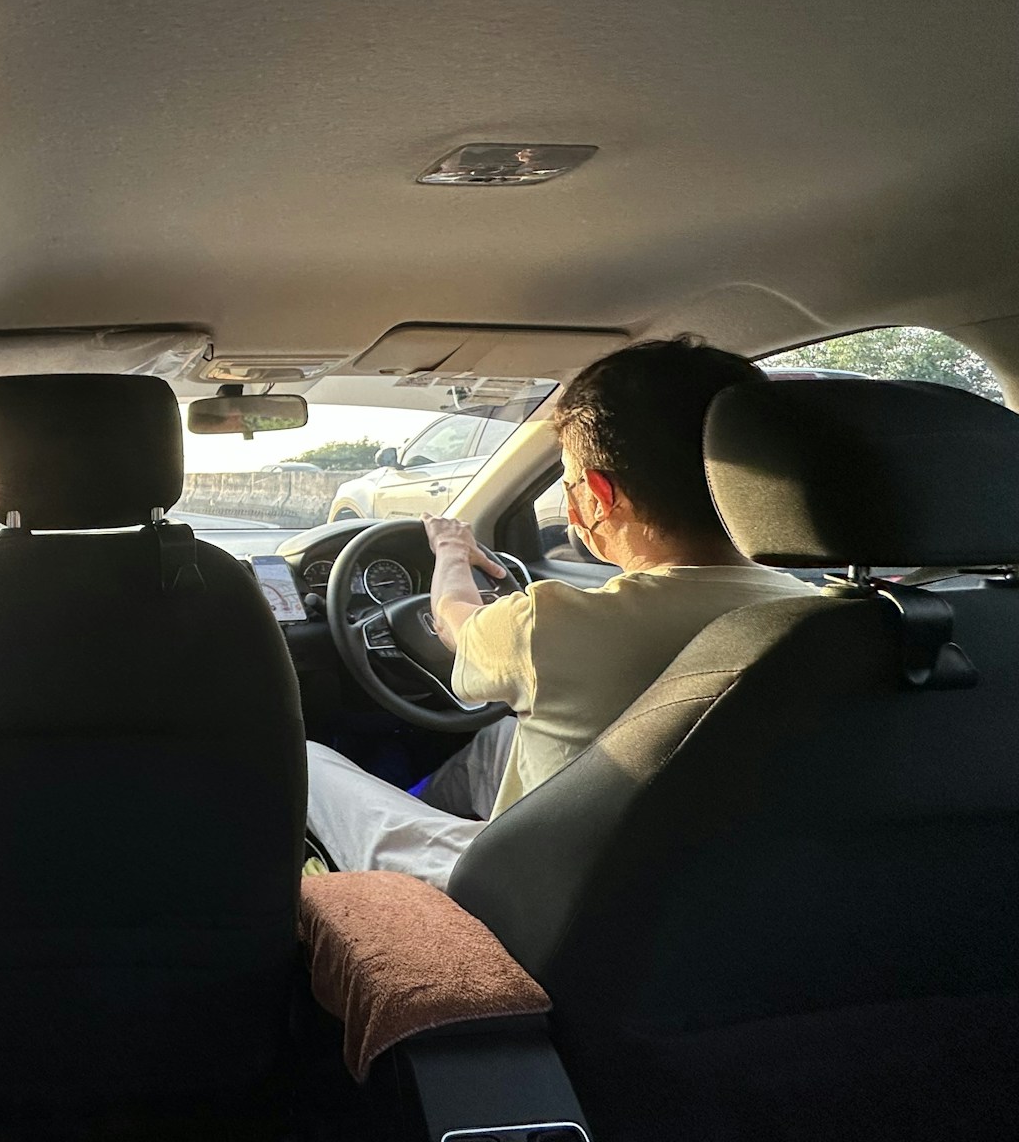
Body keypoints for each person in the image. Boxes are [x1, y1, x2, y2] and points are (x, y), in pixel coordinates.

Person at [305, 336, 819, 889]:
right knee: (497, 742)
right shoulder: (834, 617)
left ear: (599, 493)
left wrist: (452, 552)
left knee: (308, 762)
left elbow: (454, 619)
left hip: (539, 905)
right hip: (728, 876)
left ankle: (402, 870)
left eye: (570, 482)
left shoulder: (549, 622)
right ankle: (429, 806)